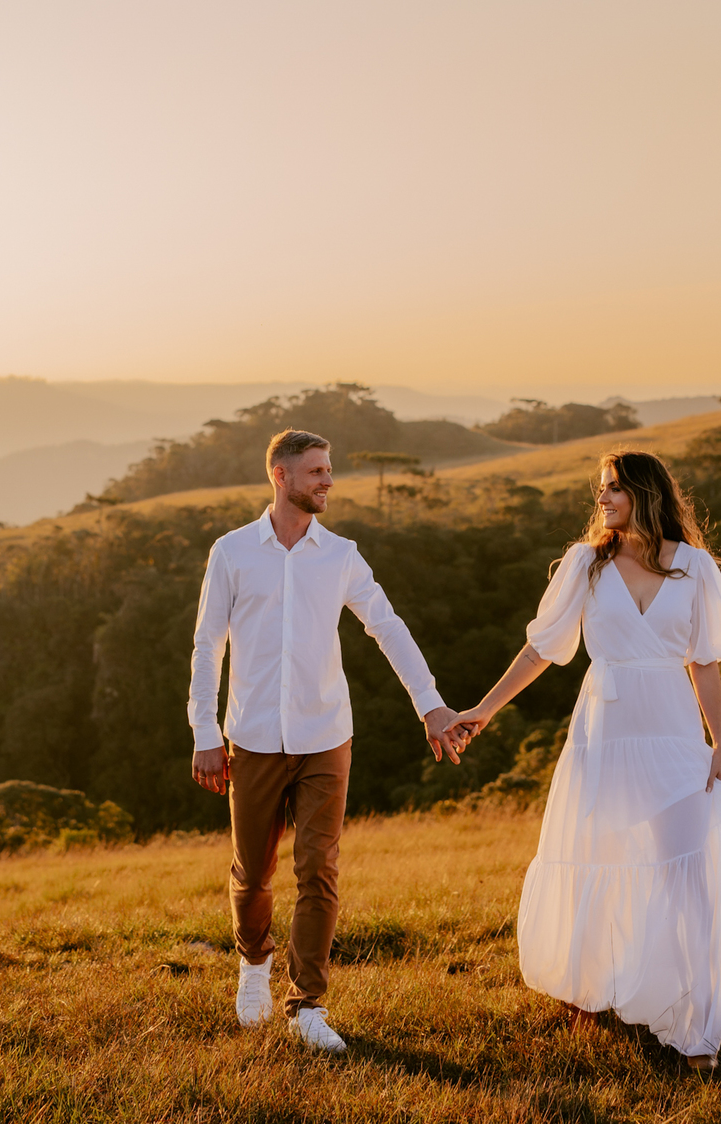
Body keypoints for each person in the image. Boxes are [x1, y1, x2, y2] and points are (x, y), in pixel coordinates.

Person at [450, 450, 721, 1075]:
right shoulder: (587, 563)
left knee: (685, 873)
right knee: (597, 859)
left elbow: (705, 660)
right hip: (604, 731)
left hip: (674, 733)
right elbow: (541, 650)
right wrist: (485, 708)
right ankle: (591, 992)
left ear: (645, 492)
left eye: (613, 488)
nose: (601, 499)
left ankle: (694, 1026)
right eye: (600, 489)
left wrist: (719, 741)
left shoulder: (694, 568)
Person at [188, 427, 466, 1054]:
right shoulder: (231, 552)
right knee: (253, 873)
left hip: (324, 736)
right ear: (280, 476)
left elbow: (387, 627)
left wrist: (430, 705)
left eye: (329, 469)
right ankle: (254, 966)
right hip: (253, 737)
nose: (328, 480)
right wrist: (205, 732)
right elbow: (209, 645)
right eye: (316, 471)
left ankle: (307, 1003)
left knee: (319, 868)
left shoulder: (340, 555)